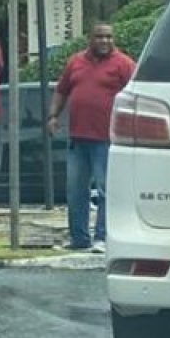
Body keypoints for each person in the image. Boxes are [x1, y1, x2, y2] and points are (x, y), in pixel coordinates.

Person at [47, 22, 135, 253]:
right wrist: (53, 115)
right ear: (90, 38)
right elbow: (62, 90)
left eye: (109, 37)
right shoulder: (75, 62)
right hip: (78, 138)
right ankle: (79, 238)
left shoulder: (123, 64)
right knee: (76, 190)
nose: (105, 41)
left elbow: (136, 94)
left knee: (106, 190)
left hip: (107, 139)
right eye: (100, 37)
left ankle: (102, 238)